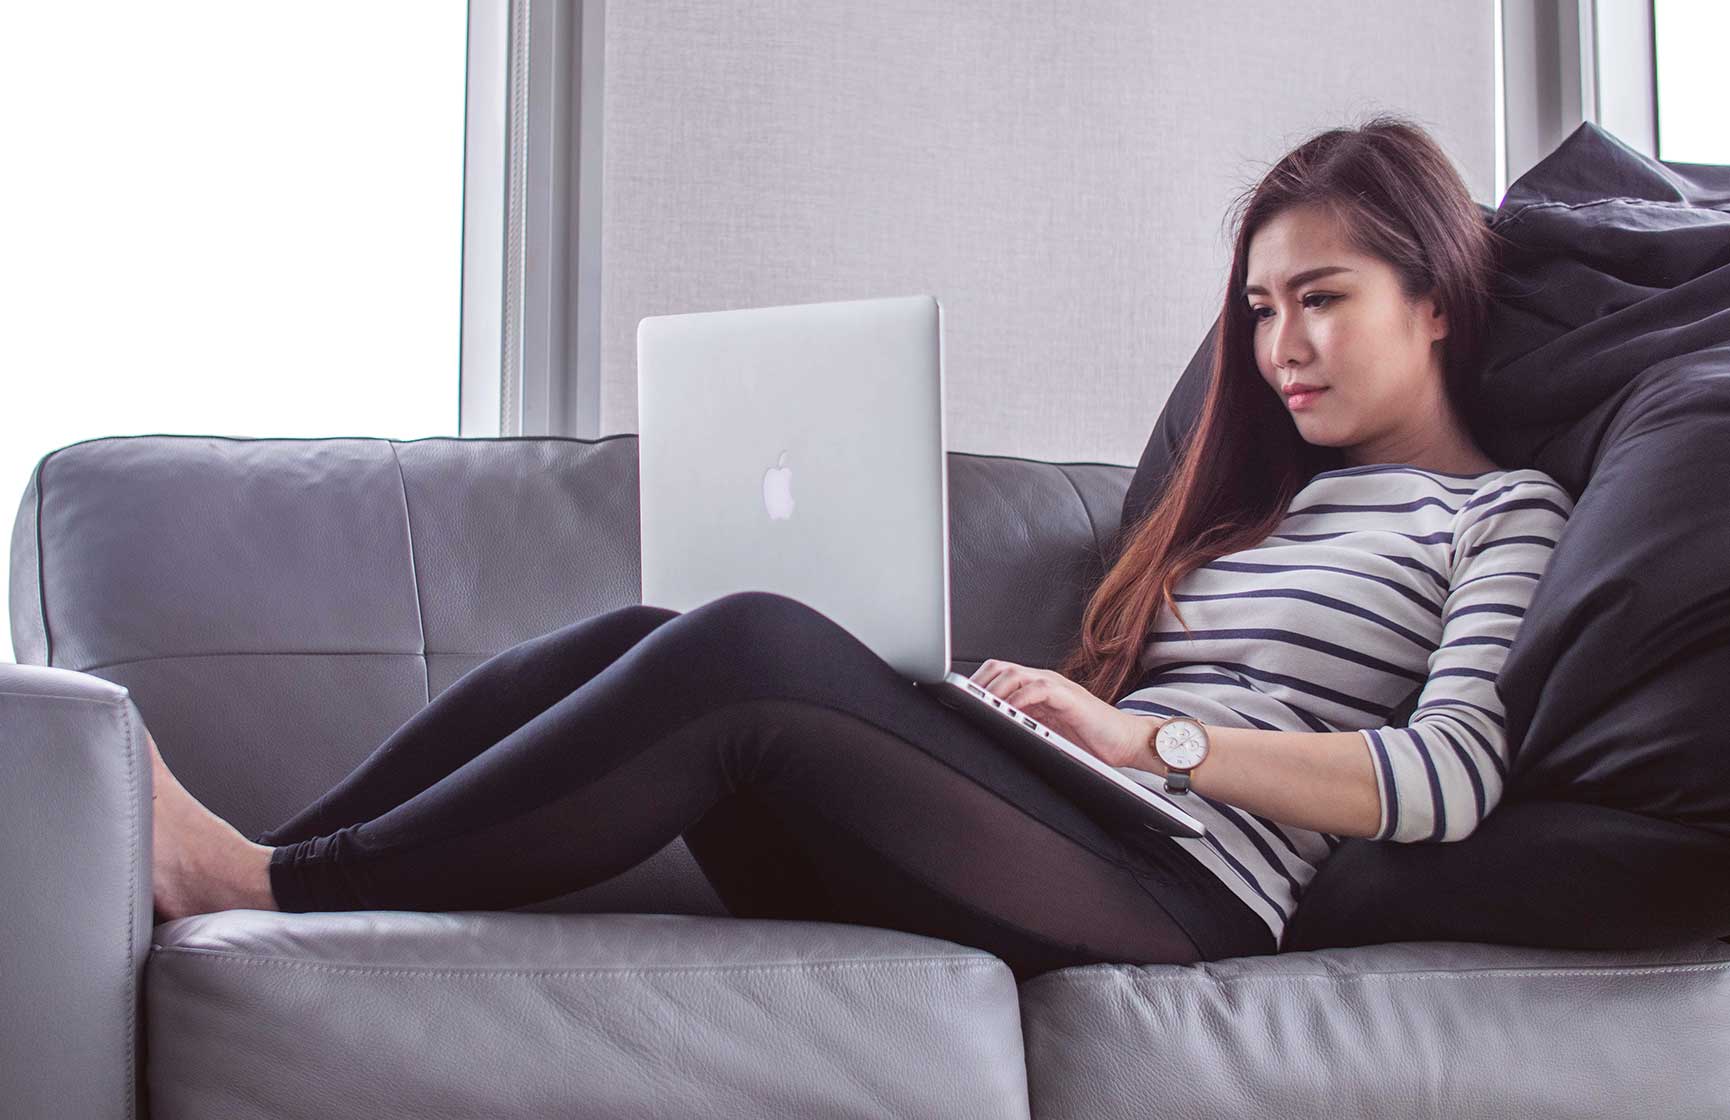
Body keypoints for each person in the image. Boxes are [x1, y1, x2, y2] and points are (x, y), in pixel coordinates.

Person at [147, 113, 1572, 980]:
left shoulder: (1499, 512)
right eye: (1256, 311)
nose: (1276, 349)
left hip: (1186, 894)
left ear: (1435, 297)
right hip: (1065, 830)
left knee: (750, 648)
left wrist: (1150, 747)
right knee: (662, 634)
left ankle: (268, 888)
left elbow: (1447, 781)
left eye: (1315, 298)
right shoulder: (1258, 508)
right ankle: (278, 865)